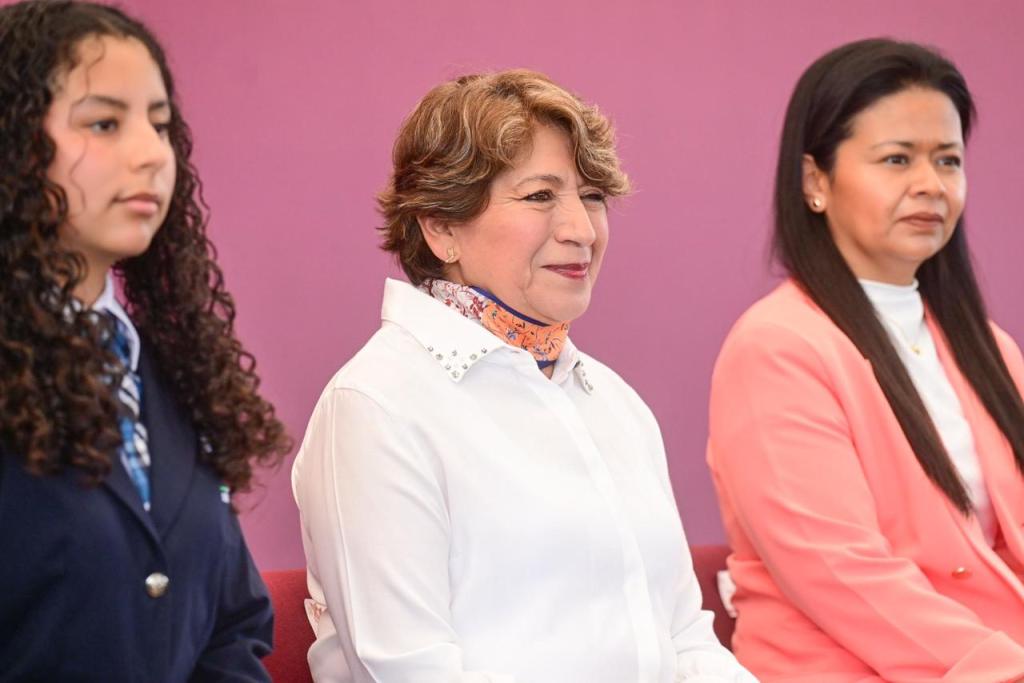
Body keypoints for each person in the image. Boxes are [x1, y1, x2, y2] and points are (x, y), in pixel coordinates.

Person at [292, 69, 756, 682]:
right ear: (441, 226)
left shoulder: (615, 403)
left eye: (592, 197)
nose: (582, 230)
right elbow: (409, 671)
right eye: (541, 196)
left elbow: (683, 640)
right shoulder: (375, 405)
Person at [707, 38, 1024, 682]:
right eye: (897, 159)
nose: (930, 185)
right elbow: (841, 573)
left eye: (948, 160)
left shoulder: (987, 346)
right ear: (815, 181)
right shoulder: (777, 348)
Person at [0, 2, 291, 680]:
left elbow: (232, 622)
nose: (150, 154)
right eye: (104, 122)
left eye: (160, 125)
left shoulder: (172, 374)